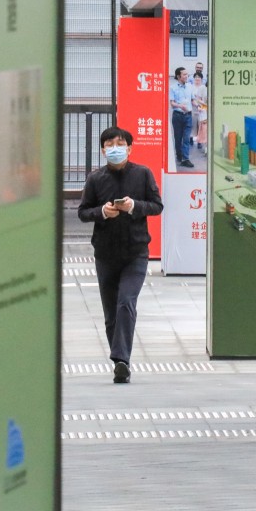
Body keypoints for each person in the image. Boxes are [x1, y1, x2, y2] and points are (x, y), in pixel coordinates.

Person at [77, 127, 164, 384]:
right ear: (103, 150)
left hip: (136, 252)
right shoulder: (95, 179)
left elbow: (157, 206)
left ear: (130, 148)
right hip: (105, 254)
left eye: (120, 144)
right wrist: (103, 212)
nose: (115, 148)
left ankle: (121, 359)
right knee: (111, 313)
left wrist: (134, 206)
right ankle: (120, 363)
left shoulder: (142, 174)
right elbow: (83, 212)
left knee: (126, 301)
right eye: (109, 145)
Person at [169, 66, 195, 167]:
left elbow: (192, 100)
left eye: (187, 74)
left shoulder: (190, 86)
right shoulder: (173, 88)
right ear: (178, 76)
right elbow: (172, 103)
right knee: (178, 138)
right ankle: (179, 156)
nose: (186, 76)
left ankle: (185, 158)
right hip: (177, 116)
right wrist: (181, 106)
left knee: (187, 138)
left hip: (188, 116)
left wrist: (199, 105)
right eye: (184, 74)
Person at [192, 72, 208, 152]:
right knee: (204, 130)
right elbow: (198, 99)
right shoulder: (202, 88)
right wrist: (205, 105)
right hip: (204, 112)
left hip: (213, 112)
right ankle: (205, 147)